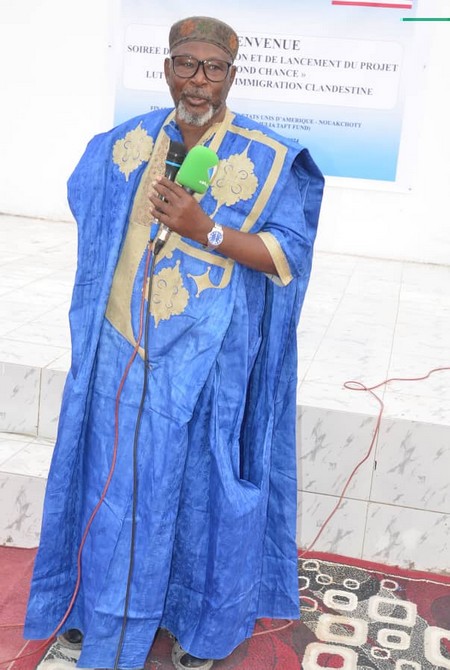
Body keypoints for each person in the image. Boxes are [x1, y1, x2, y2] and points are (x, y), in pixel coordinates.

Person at [24, 15, 324, 670]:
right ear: (166, 69)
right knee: (110, 486)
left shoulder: (265, 157)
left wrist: (203, 228)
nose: (198, 80)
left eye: (213, 68)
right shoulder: (129, 143)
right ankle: (92, 608)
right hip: (123, 348)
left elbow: (286, 256)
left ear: (231, 76)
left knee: (197, 493)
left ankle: (197, 625)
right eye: (186, 64)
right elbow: (87, 198)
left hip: (208, 361)